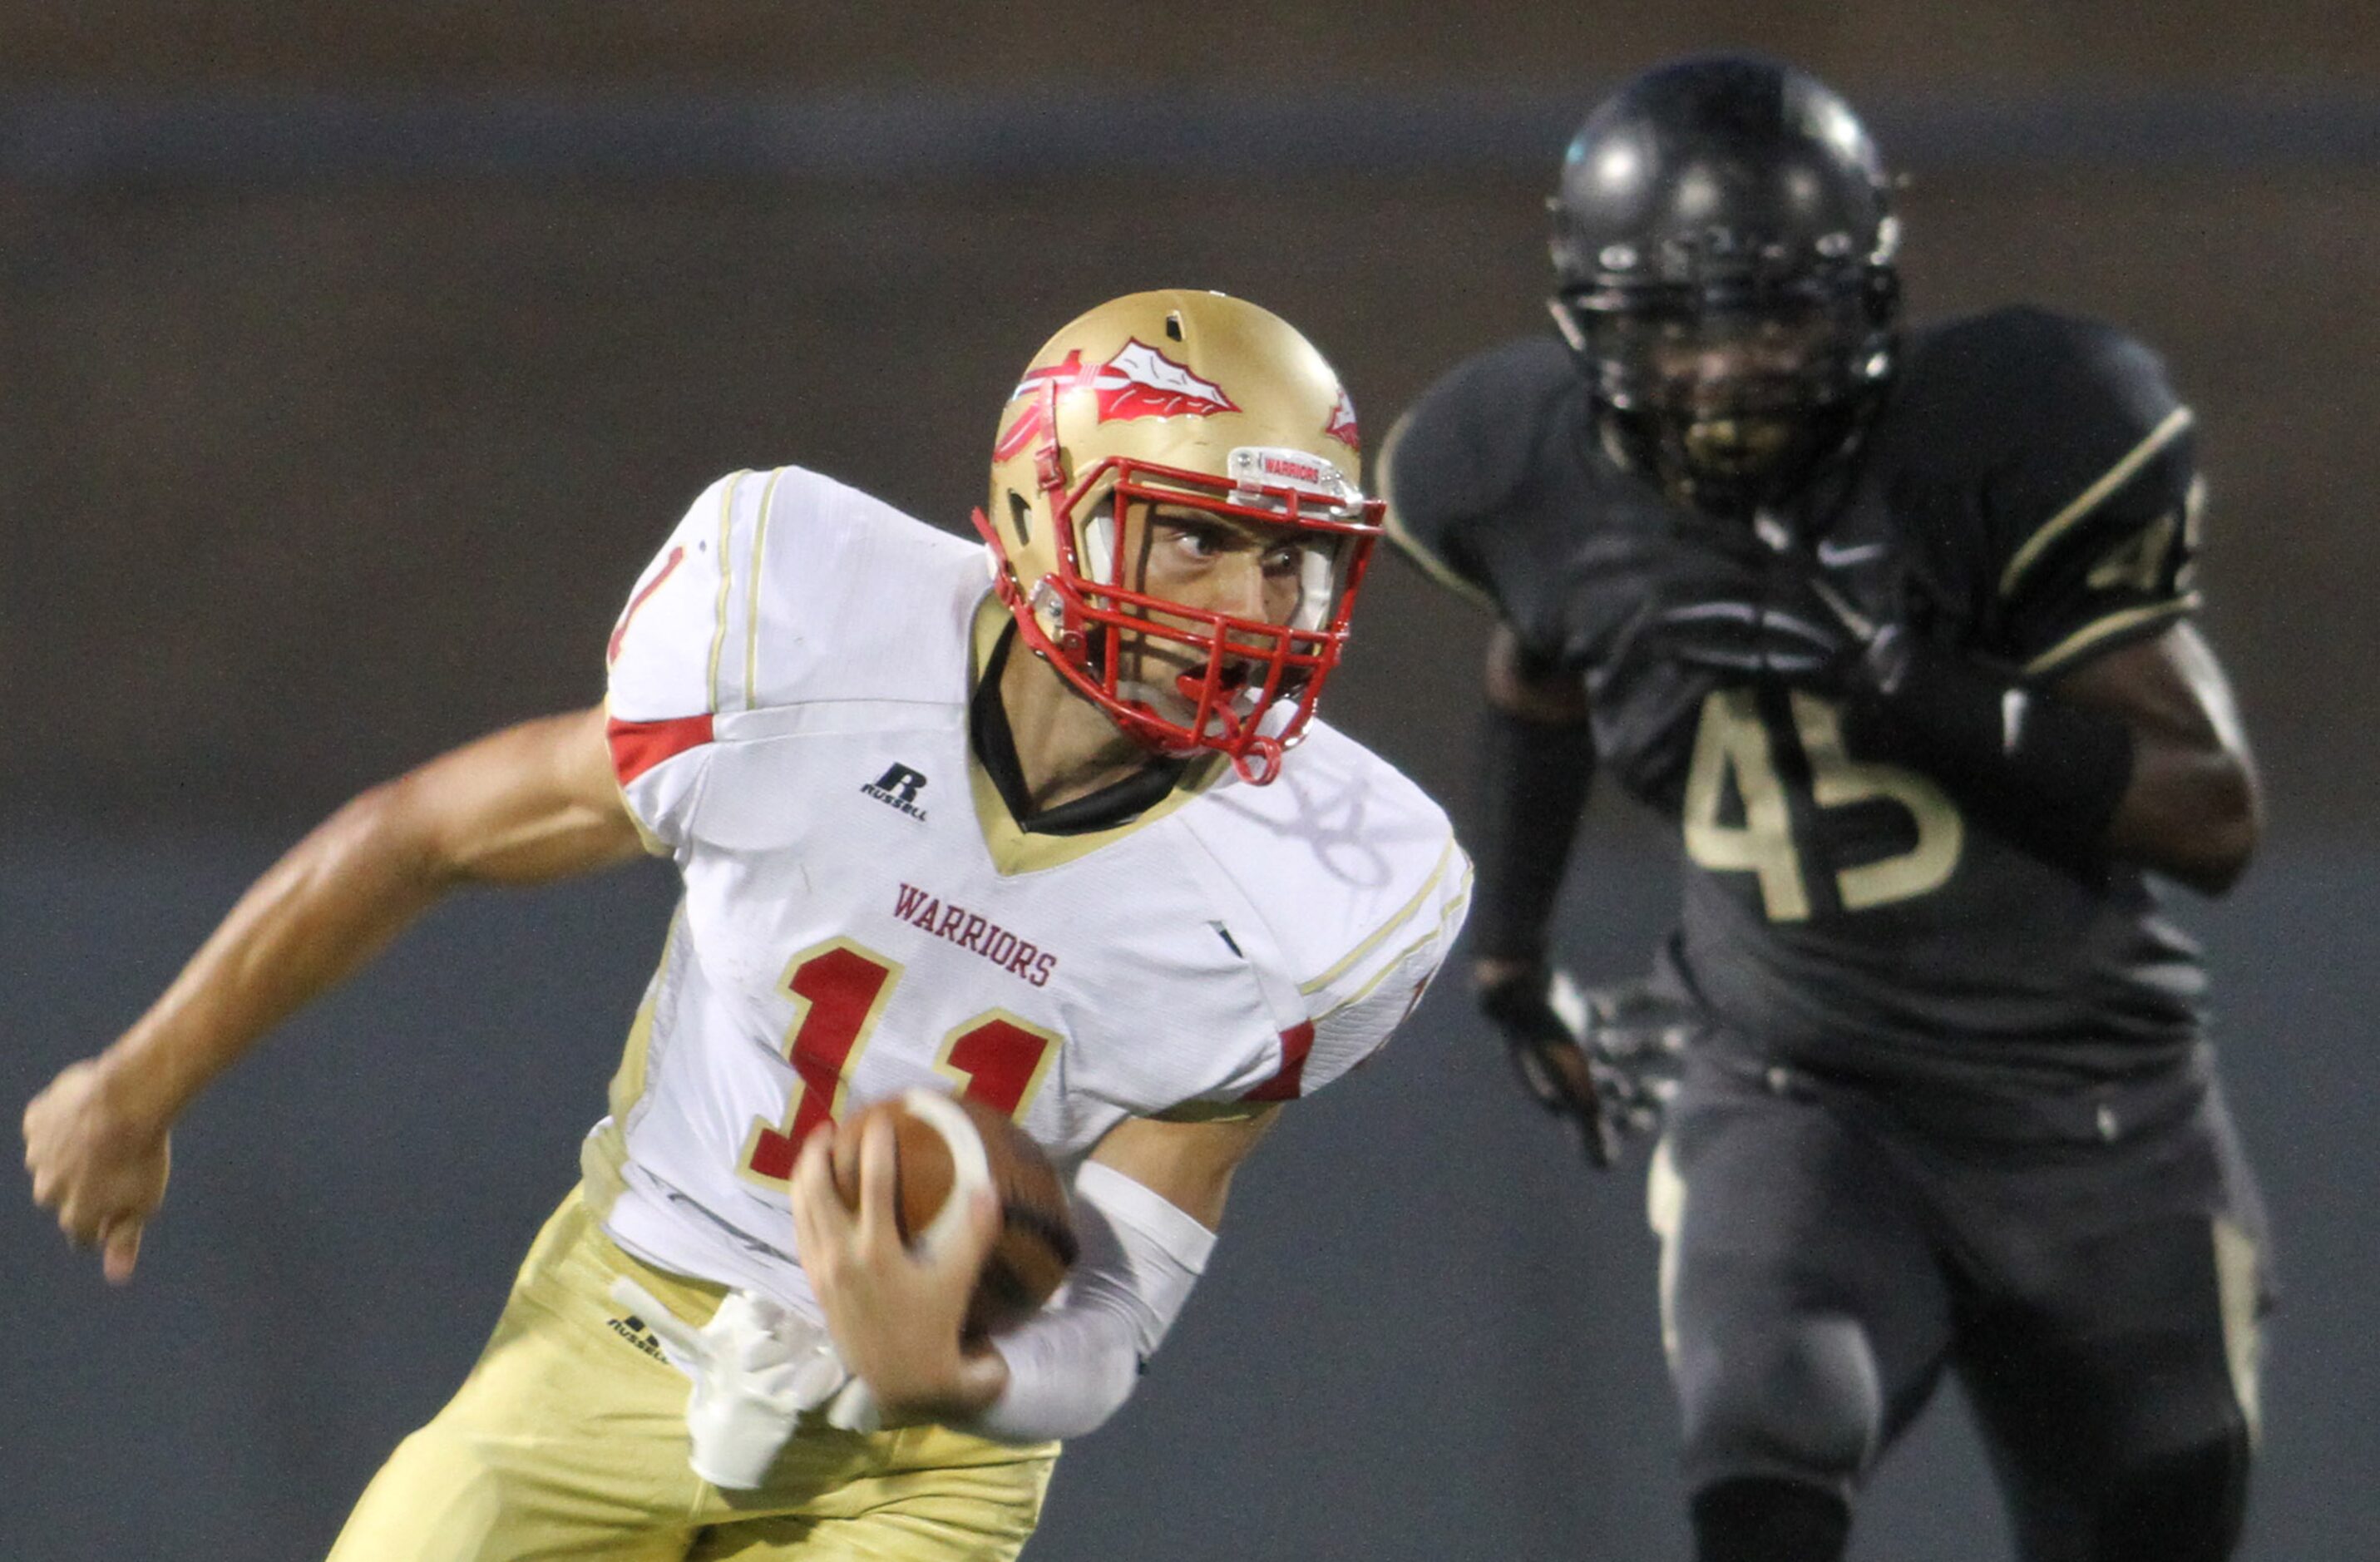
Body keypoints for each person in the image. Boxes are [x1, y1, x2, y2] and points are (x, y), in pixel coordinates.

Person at [23, 288, 1468, 1560]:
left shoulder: (1335, 886)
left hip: (925, 1469)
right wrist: (140, 1084)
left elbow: (1123, 1294)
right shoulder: (800, 630)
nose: (1256, 601)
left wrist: (953, 1377)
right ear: (1047, 504)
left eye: (1292, 557)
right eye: (1199, 538)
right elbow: (421, 836)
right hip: (623, 1326)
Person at [1383, 55, 2269, 1562]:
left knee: (2152, 1511)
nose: (1724, 375)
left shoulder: (2000, 442)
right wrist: (1509, 962)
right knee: (1765, 1427)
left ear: (1865, 303)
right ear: (1590, 326)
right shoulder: (1526, 470)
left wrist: (1916, 690)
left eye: (1771, 318)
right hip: (1800, 1081)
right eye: (1675, 329)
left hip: (2089, 1103)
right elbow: (1536, 672)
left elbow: (2212, 817)